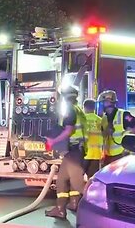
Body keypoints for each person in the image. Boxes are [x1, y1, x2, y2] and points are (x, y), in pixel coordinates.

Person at [45, 86, 86, 219]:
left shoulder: (70, 110)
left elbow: (69, 131)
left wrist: (53, 141)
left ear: (64, 96)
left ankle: (95, 207)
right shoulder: (79, 110)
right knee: (62, 180)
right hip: (75, 150)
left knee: (77, 183)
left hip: (73, 151)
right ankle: (63, 208)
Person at [97, 90, 135, 166]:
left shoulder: (123, 114)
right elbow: (103, 135)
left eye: (103, 102)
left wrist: (127, 134)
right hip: (108, 156)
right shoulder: (104, 118)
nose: (102, 104)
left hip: (121, 155)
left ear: (110, 101)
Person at [82, 99, 103, 178]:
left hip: (83, 154)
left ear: (84, 107)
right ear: (94, 108)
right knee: (92, 179)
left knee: (77, 179)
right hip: (96, 154)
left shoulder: (81, 119)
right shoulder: (100, 121)